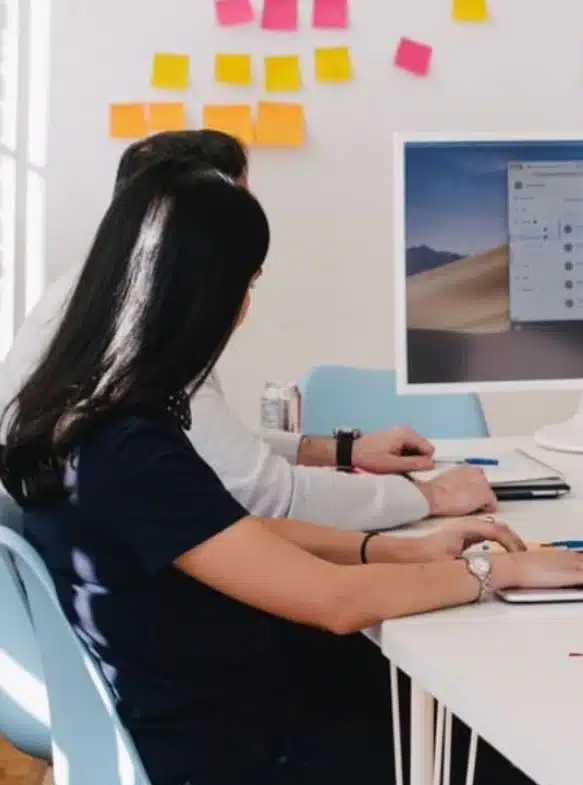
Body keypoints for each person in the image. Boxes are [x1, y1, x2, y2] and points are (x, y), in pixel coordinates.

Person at [0, 166, 583, 785]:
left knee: (463, 739)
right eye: (245, 285)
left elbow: (236, 536)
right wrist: (494, 571)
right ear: (207, 295)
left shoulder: (77, 415)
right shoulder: (131, 445)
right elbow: (332, 608)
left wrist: (393, 551)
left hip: (185, 725)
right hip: (217, 784)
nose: (248, 306)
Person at [0, 130, 495, 532]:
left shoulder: (88, 300)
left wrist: (340, 450)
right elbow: (267, 495)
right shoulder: (137, 336)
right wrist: (427, 497)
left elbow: (202, 443)